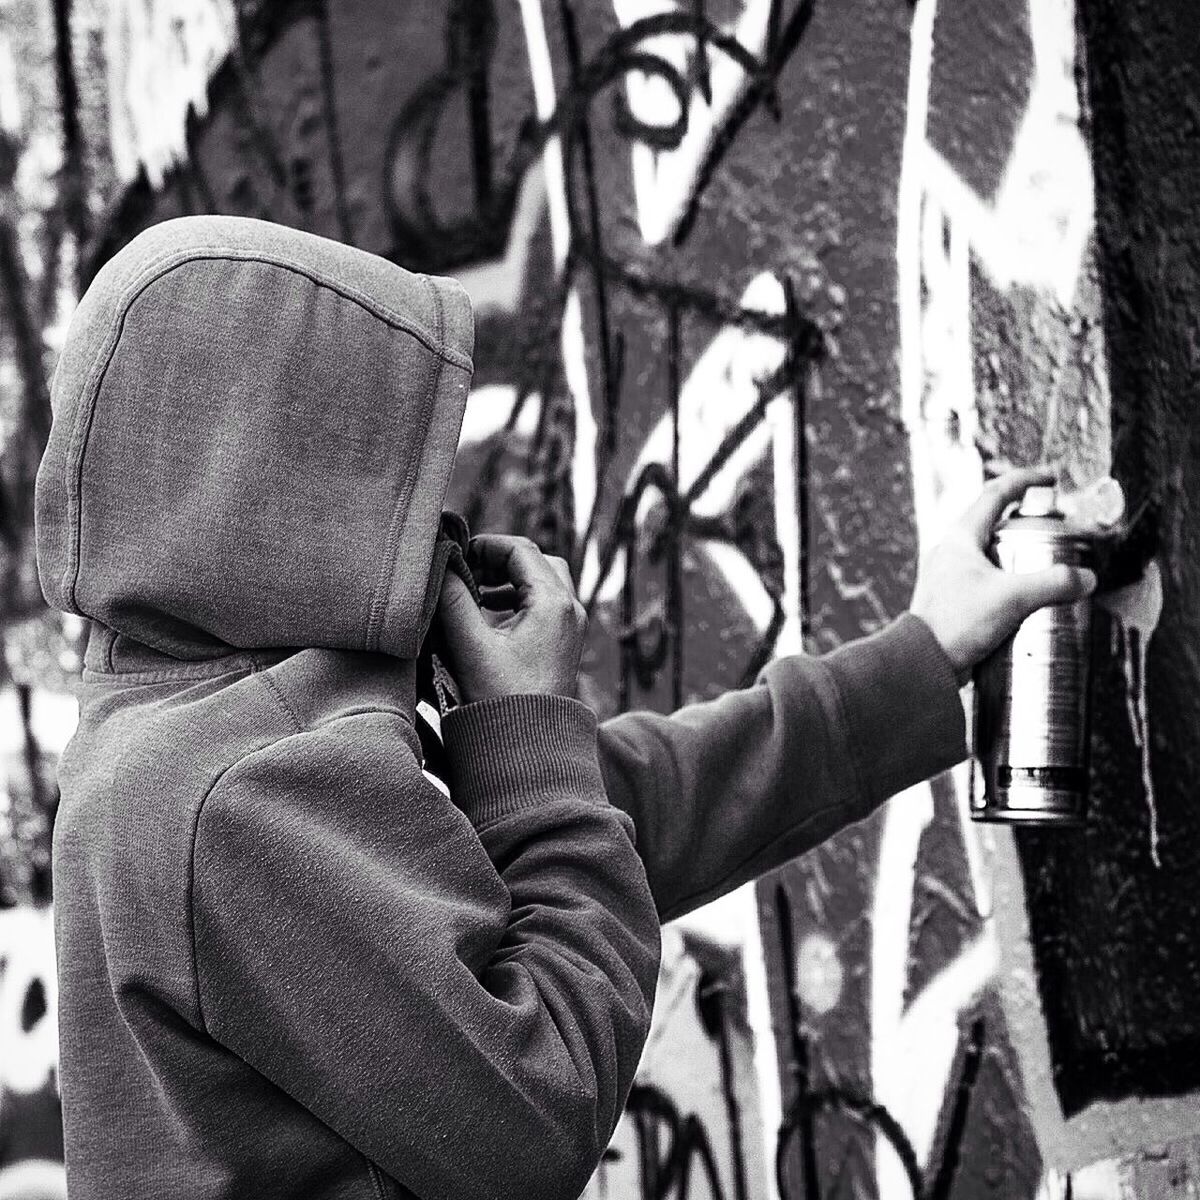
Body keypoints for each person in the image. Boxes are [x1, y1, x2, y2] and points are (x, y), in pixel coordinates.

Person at [36, 215, 1095, 1200]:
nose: (442, 528)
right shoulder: (236, 799)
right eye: (395, 486)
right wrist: (529, 727)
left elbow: (601, 820)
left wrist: (922, 655)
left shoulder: (186, 722)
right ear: (272, 485)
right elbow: (536, 1107)